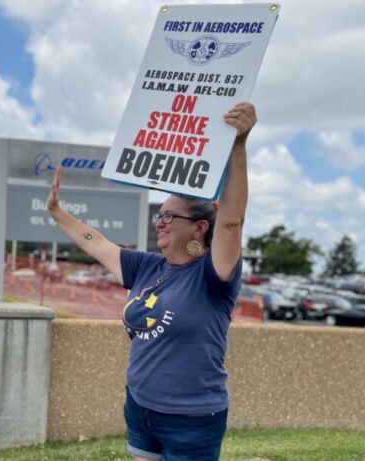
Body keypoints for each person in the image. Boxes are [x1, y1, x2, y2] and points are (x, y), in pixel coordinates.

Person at [47, 102, 256, 461]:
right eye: (159, 215)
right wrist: (57, 213)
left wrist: (238, 145)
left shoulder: (212, 275)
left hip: (192, 419)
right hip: (141, 407)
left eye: (169, 216)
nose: (159, 222)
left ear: (199, 227)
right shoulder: (147, 266)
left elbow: (232, 221)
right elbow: (94, 242)